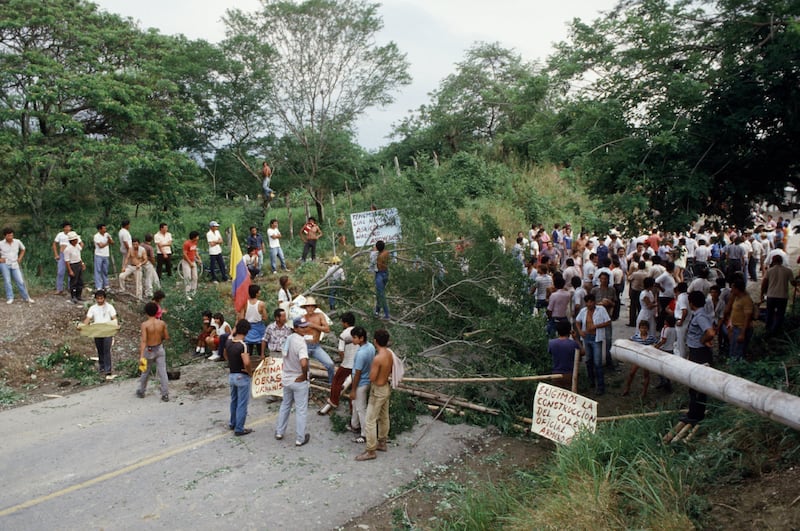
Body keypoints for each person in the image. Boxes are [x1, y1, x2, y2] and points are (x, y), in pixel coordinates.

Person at [356, 329, 393, 461]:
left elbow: (372, 377)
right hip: (386, 387)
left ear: (375, 341)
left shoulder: (378, 358)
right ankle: (382, 442)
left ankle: (370, 450)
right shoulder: (389, 354)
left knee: (370, 420)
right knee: (384, 416)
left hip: (378, 389)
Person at [275, 317, 311, 447]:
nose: (305, 329)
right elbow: (304, 362)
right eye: (302, 327)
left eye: (305, 326)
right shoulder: (301, 342)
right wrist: (304, 375)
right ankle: (300, 438)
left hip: (287, 378)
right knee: (301, 410)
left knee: (285, 405)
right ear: (295, 328)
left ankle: (279, 431)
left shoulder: (288, 339)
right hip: (298, 379)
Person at [683, 291, 716, 424]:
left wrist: (703, 340)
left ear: (691, 303)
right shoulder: (699, 314)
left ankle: (695, 416)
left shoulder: (700, 316)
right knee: (696, 384)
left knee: (696, 384)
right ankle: (695, 412)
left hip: (699, 353)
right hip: (697, 351)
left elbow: (710, 332)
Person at [319, 312, 357, 415]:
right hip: (358, 363)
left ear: (345, 323)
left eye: (342, 322)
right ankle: (352, 410)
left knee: (336, 381)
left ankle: (334, 400)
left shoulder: (344, 335)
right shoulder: (358, 332)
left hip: (347, 363)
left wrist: (343, 360)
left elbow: (341, 351)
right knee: (355, 388)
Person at [575, 293, 611, 396]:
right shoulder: (583, 311)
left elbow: (608, 322)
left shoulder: (601, 310)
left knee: (597, 362)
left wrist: (596, 326)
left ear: (594, 302)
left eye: (591, 302)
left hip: (596, 338)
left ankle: (600, 386)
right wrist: (580, 331)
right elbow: (577, 321)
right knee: (588, 360)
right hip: (587, 337)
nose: (589, 304)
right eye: (587, 302)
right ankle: (591, 381)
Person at [224, 319, 254, 436]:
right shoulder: (243, 345)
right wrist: (250, 372)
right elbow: (246, 362)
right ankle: (239, 428)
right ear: (246, 331)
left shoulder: (229, 342)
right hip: (242, 375)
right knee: (242, 403)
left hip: (232, 374)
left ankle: (233, 423)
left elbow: (225, 353)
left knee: (234, 400)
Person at [136, 301, 170, 402]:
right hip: (159, 349)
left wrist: (141, 356)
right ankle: (165, 394)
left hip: (148, 350)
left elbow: (144, 341)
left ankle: (141, 391)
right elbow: (167, 337)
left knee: (144, 371)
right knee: (162, 372)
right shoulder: (162, 323)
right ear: (156, 312)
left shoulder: (144, 325)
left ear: (146, 312)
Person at [82, 290, 118, 379]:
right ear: (96, 299)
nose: (99, 300)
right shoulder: (93, 308)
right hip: (97, 331)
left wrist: (115, 326)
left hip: (107, 331)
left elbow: (114, 318)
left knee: (106, 350)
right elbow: (88, 319)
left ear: (104, 298)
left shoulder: (109, 307)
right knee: (100, 349)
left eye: (101, 298)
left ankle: (108, 369)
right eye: (98, 298)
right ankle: (102, 367)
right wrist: (82, 326)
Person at [299, 297, 335, 383]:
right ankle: (304, 383)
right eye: (308, 306)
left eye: (312, 306)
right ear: (305, 308)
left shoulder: (319, 316)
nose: (310, 308)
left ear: (315, 307)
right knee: (303, 367)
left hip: (316, 346)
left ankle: (331, 383)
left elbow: (327, 329)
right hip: (304, 346)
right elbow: (297, 331)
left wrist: (314, 326)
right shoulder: (302, 318)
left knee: (330, 364)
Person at [348, 326, 375, 443]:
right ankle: (354, 425)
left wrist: (353, 390)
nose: (353, 340)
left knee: (361, 409)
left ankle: (364, 434)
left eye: (354, 338)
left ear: (361, 338)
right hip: (367, 379)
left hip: (360, 383)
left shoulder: (360, 354)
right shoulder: (371, 347)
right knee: (356, 405)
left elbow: (357, 373)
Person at [760, 255, 797, 334]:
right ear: (781, 261)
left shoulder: (770, 271)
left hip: (771, 295)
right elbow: (793, 283)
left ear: (773, 261)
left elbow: (764, 283)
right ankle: (776, 330)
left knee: (769, 313)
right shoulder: (788, 271)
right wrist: (797, 282)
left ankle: (768, 329)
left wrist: (762, 294)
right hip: (782, 296)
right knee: (780, 314)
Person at [621, 320, 658, 397]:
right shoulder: (636, 337)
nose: (643, 330)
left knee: (646, 374)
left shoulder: (650, 338)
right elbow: (629, 341)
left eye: (645, 328)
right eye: (642, 328)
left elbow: (656, 343)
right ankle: (627, 389)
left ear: (648, 329)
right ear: (639, 328)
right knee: (631, 373)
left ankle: (644, 392)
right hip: (637, 358)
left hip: (646, 358)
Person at [0, 228, 34, 304]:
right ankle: (10, 297)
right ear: (5, 236)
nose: (10, 237)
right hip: (4, 264)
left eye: (11, 235)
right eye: (8, 236)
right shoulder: (1, 243)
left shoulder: (17, 241)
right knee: (7, 281)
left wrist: (20, 258)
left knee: (20, 281)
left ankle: (26, 297)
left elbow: (23, 249)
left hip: (15, 263)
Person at [724, 278, 754, 362]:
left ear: (737, 289)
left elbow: (747, 318)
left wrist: (742, 333)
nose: (731, 290)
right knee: (733, 350)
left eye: (733, 288)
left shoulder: (746, 300)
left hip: (741, 329)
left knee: (738, 352)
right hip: (735, 328)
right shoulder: (737, 298)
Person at [237, 284, 269, 360]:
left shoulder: (245, 303)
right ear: (257, 293)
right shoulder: (261, 304)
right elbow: (265, 317)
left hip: (248, 328)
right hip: (259, 327)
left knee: (248, 350)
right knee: (260, 349)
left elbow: (241, 317)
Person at [548, 320, 582, 389]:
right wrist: (575, 338)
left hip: (556, 374)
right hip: (571, 374)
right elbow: (583, 352)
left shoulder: (551, 343)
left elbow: (550, 352)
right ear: (569, 331)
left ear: (557, 331)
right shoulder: (573, 344)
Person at [53, 221, 77, 295]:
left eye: (69, 227)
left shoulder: (73, 234)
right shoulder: (60, 235)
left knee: (71, 271)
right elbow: (54, 244)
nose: (67, 228)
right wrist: (56, 254)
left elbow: (79, 243)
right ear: (63, 228)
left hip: (71, 254)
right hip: (62, 254)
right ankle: (59, 289)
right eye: (66, 227)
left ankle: (71, 287)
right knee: (60, 271)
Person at [64, 231, 86, 304]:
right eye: (75, 240)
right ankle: (73, 296)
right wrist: (70, 270)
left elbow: (79, 256)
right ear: (72, 241)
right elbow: (67, 261)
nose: (77, 241)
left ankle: (79, 296)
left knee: (80, 281)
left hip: (78, 263)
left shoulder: (77, 246)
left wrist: (82, 263)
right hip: (72, 265)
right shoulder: (67, 249)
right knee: (74, 282)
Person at [92, 224, 113, 291]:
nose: (105, 230)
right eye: (103, 228)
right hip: (99, 255)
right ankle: (98, 286)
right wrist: (107, 243)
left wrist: (109, 238)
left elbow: (112, 242)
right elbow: (100, 245)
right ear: (100, 229)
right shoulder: (96, 236)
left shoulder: (107, 234)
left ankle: (106, 284)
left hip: (106, 255)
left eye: (105, 228)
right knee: (98, 270)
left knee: (105, 270)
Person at [181, 231, 201, 300]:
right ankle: (187, 294)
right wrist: (189, 263)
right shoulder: (187, 244)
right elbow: (184, 254)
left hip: (193, 261)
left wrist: (199, 258)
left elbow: (195, 251)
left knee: (195, 277)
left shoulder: (195, 243)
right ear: (194, 237)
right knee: (188, 277)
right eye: (197, 236)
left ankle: (193, 292)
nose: (198, 238)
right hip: (187, 262)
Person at [374, 240, 390, 320]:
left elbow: (377, 265)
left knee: (381, 295)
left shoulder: (379, 256)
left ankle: (387, 314)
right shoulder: (387, 253)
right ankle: (377, 311)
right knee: (379, 294)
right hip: (386, 273)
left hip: (379, 275)